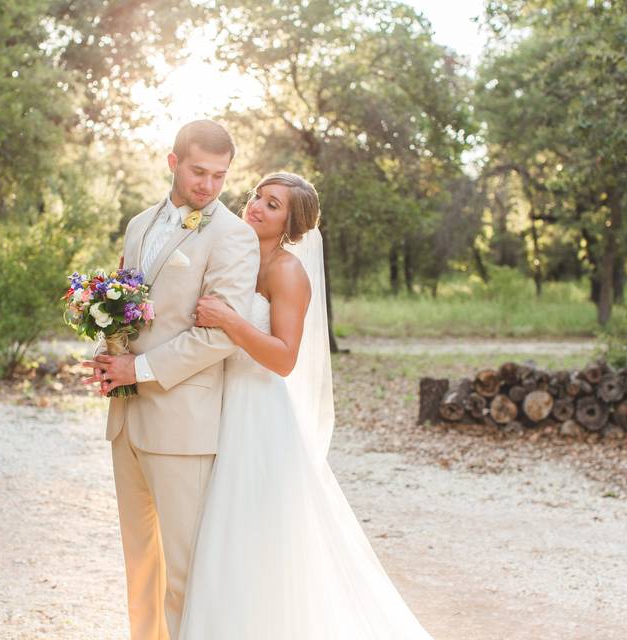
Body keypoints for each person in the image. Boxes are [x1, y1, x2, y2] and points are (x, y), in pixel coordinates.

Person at [177, 173, 435, 639]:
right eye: (257, 195)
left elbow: (283, 358)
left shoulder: (287, 272)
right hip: (217, 401)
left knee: (250, 536)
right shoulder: (232, 254)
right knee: (217, 537)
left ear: (291, 224)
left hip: (257, 413)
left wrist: (231, 321)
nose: (256, 205)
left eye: (272, 205)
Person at [81, 120, 260, 640]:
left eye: (220, 176)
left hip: (183, 425)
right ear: (173, 162)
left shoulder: (233, 237)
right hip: (126, 420)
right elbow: (125, 310)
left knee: (183, 574)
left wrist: (135, 369)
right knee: (140, 567)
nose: (208, 185)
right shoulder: (138, 225)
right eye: (199, 171)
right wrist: (107, 352)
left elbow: (222, 336)